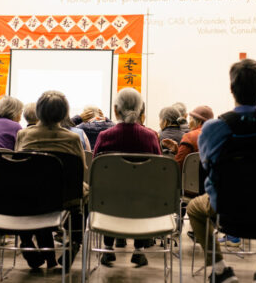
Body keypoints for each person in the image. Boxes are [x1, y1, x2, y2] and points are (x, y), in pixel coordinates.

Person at [187, 59, 256, 283]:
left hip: (227, 207)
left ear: (231, 88)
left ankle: (219, 268)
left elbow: (207, 165)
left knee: (194, 209)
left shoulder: (213, 128)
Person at [15, 90, 87, 270]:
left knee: (39, 192)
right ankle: (75, 242)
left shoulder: (23, 135)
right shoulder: (72, 137)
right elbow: (81, 169)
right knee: (82, 195)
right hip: (64, 198)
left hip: (30, 197)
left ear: (38, 111)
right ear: (64, 114)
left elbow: (17, 167)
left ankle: (28, 243)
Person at [94, 88, 161, 267]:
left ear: (116, 110)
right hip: (143, 201)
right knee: (141, 192)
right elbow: (158, 171)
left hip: (110, 202)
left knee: (110, 192)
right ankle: (138, 251)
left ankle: (108, 249)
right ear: (140, 111)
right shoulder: (151, 136)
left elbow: (96, 171)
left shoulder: (104, 136)